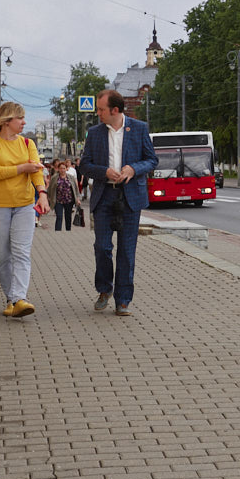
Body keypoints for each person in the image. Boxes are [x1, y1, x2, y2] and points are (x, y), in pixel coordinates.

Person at [78, 89, 158, 317]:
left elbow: (152, 159)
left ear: (115, 110)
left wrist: (133, 169)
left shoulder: (139, 128)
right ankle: (104, 290)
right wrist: (104, 172)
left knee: (126, 251)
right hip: (104, 196)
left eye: (101, 109)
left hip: (130, 197)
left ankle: (123, 300)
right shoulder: (94, 133)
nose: (98, 113)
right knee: (102, 247)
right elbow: (85, 165)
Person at [0, 102, 49, 318]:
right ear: (6, 120)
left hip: (25, 204)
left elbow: (36, 171)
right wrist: (22, 168)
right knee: (1, 255)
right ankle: (11, 298)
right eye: (20, 118)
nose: (24, 122)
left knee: (21, 252)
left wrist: (42, 193)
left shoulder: (28, 143)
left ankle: (19, 298)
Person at [50, 160, 82, 231]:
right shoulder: (54, 178)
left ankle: (68, 231)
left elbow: (75, 188)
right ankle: (57, 232)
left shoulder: (71, 177)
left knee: (68, 217)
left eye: (64, 168)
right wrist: (49, 199)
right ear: (58, 169)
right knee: (59, 217)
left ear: (66, 169)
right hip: (58, 201)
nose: (62, 170)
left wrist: (77, 199)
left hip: (69, 200)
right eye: (61, 168)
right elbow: (50, 189)